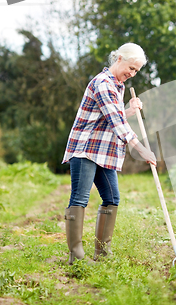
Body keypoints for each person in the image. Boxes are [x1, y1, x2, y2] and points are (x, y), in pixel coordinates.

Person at [62, 43, 157, 264]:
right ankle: (76, 257)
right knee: (80, 198)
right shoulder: (103, 83)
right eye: (131, 68)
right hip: (86, 149)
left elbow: (111, 116)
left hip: (104, 151)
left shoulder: (118, 85)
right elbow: (117, 122)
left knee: (112, 198)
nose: (131, 74)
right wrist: (141, 149)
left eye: (136, 71)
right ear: (119, 59)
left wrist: (129, 110)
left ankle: (102, 254)